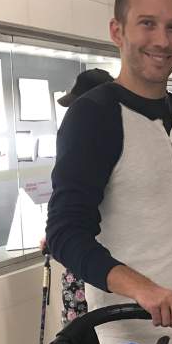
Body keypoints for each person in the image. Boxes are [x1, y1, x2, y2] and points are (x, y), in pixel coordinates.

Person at [46, 0, 172, 344]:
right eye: (147, 24)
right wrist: (144, 288)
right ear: (117, 31)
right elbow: (64, 232)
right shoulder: (94, 115)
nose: (162, 40)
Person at [52, 68, 114, 325]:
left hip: (100, 258)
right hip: (81, 254)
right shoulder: (76, 134)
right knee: (79, 332)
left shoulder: (106, 135)